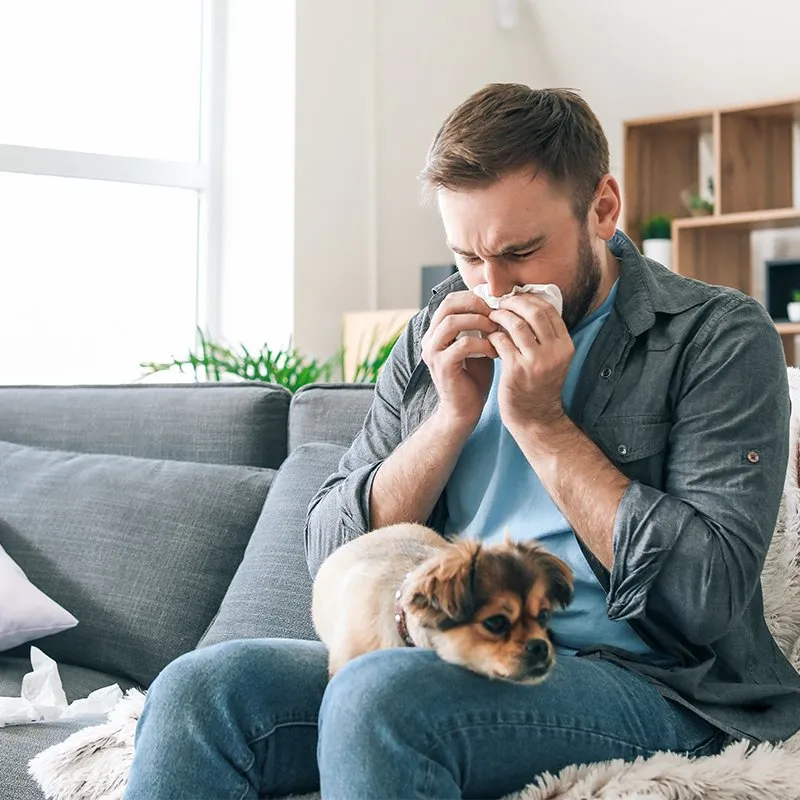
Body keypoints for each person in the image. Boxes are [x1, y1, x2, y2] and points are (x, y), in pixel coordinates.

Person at [124, 84, 800, 800]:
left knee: (381, 696)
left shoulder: (715, 337)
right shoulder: (434, 333)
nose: (493, 285)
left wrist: (543, 425)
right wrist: (447, 419)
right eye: (468, 257)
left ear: (603, 208)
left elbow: (706, 596)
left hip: (650, 681)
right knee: (199, 691)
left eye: (521, 252)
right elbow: (332, 556)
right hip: (445, 653)